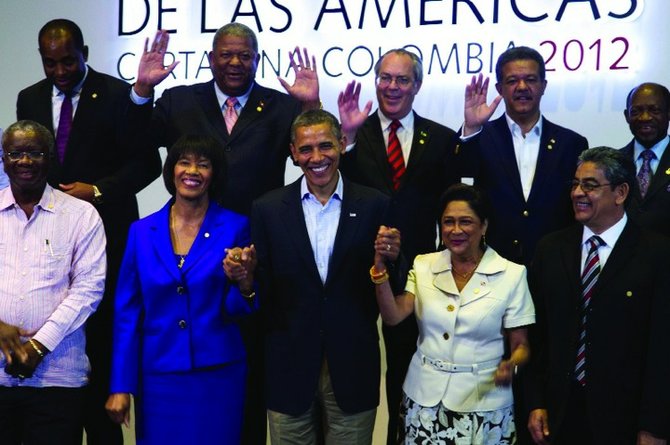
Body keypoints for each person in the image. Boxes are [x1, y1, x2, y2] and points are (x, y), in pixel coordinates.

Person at [133, 24, 320, 442]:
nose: (236, 62)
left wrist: (311, 104)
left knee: (250, 371)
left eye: (245, 55)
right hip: (189, 250)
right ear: (212, 57)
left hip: (258, 254)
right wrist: (142, 91)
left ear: (257, 59)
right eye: (226, 54)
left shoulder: (282, 106)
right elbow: (134, 142)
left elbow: (319, 153)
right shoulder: (180, 100)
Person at [16, 19, 162, 444]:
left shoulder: (119, 95)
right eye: (50, 63)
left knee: (99, 341)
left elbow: (148, 164)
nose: (60, 72)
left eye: (68, 61)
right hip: (46, 243)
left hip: (106, 236)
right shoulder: (30, 98)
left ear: (85, 52)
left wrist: (97, 191)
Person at [245, 109, 402, 443]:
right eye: (305, 149)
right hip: (288, 367)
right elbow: (261, 287)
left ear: (342, 144)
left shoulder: (376, 204)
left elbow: (393, 281)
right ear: (293, 152)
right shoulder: (267, 209)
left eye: (325, 146)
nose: (316, 157)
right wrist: (244, 278)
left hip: (352, 365)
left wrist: (390, 259)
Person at [337, 49, 457, 442]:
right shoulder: (352, 131)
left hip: (416, 270)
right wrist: (348, 139)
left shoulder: (440, 138)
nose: (392, 87)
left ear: (417, 85)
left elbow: (450, 205)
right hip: (357, 265)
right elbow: (331, 183)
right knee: (352, 360)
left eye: (402, 80)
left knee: (407, 368)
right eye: (385, 78)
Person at [105, 135, 256, 444]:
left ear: (215, 175)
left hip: (219, 373)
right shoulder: (141, 232)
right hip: (159, 375)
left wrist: (244, 282)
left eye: (203, 165)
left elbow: (238, 308)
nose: (193, 171)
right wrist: (120, 385)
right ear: (171, 170)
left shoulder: (235, 226)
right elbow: (126, 314)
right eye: (184, 162)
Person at [526, 147, 670, 445]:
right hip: (559, 414)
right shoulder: (550, 249)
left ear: (620, 192)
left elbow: (662, 348)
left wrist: (654, 425)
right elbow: (536, 336)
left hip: (624, 419)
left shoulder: (656, 254)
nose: (578, 192)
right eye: (575, 184)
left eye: (590, 185)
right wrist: (534, 401)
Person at [372, 183, 535, 443]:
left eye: (465, 222)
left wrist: (511, 363)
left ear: (483, 226)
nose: (455, 230)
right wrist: (379, 270)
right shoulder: (424, 264)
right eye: (448, 222)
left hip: (484, 405)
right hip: (424, 400)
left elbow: (522, 345)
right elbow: (393, 316)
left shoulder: (512, 274)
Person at [0, 120, 106, 445]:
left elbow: (88, 290)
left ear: (49, 158)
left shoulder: (81, 215)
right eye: (15, 153)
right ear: (3, 159)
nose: (25, 161)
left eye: (35, 153)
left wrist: (38, 345)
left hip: (58, 379)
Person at [458, 46, 588, 266]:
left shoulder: (572, 143)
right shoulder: (480, 136)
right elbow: (460, 175)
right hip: (491, 261)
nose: (522, 87)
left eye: (530, 79)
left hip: (554, 262)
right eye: (512, 81)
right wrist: (471, 129)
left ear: (543, 86)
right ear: (499, 88)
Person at [620, 82, 670, 237]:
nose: (645, 117)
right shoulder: (614, 163)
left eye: (654, 110)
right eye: (636, 111)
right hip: (625, 258)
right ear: (626, 116)